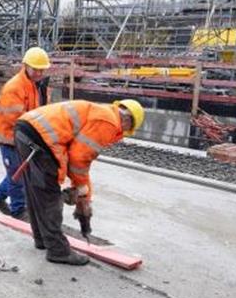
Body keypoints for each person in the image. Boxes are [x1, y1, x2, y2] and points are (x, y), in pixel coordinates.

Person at [14, 99, 145, 266]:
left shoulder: (101, 110)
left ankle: (42, 239)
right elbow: (79, 158)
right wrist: (81, 186)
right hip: (40, 139)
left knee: (37, 192)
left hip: (25, 130)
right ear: (127, 121)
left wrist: (82, 187)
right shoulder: (109, 123)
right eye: (128, 130)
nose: (123, 133)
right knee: (50, 195)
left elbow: (75, 154)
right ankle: (58, 250)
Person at [0, 47, 52, 220]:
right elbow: (13, 120)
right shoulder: (15, 87)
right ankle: (18, 210)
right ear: (25, 66)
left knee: (17, 172)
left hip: (24, 137)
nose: (39, 72)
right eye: (36, 69)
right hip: (9, 137)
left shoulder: (36, 85)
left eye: (42, 69)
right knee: (18, 173)